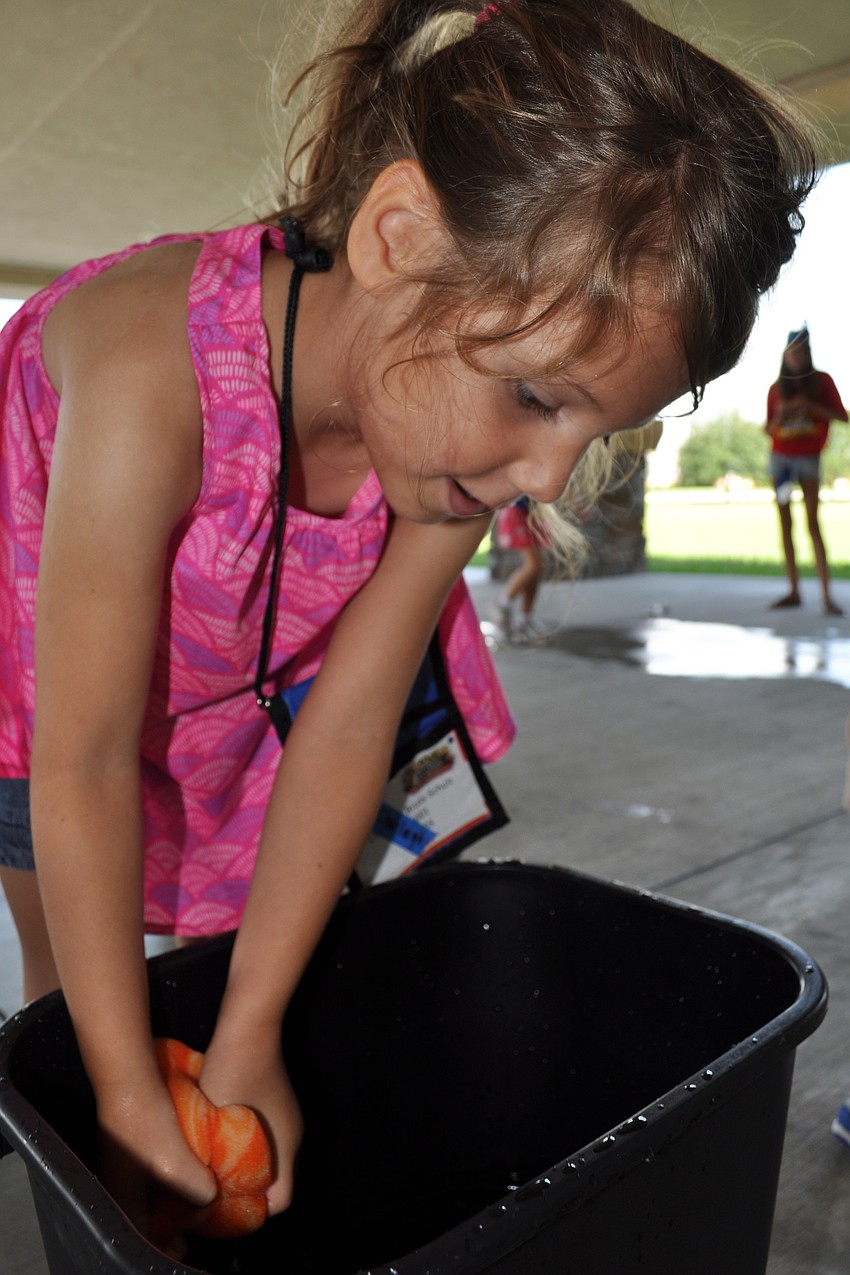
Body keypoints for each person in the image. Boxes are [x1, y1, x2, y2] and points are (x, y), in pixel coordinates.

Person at [0, 0, 818, 1250]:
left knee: (230, 1007)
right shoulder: (149, 368)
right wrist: (117, 1092)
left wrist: (254, 1031)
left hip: (258, 699)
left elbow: (349, 727)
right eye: (540, 398)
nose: (548, 478)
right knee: (82, 1033)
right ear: (396, 239)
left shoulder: (447, 435)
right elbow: (84, 758)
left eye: (591, 433)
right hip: (51, 715)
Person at [765, 327, 847, 614]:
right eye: (792, 352)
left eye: (801, 351)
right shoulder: (777, 388)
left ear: (808, 353)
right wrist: (780, 414)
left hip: (809, 460)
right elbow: (769, 430)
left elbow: (842, 416)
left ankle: (826, 596)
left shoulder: (822, 382)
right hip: (781, 463)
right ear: (785, 355)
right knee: (785, 523)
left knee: (813, 523)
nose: (796, 356)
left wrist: (810, 405)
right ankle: (794, 591)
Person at [494, 497, 549, 642]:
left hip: (530, 511)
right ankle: (503, 602)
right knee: (534, 564)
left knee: (537, 568)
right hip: (516, 509)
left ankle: (525, 618)